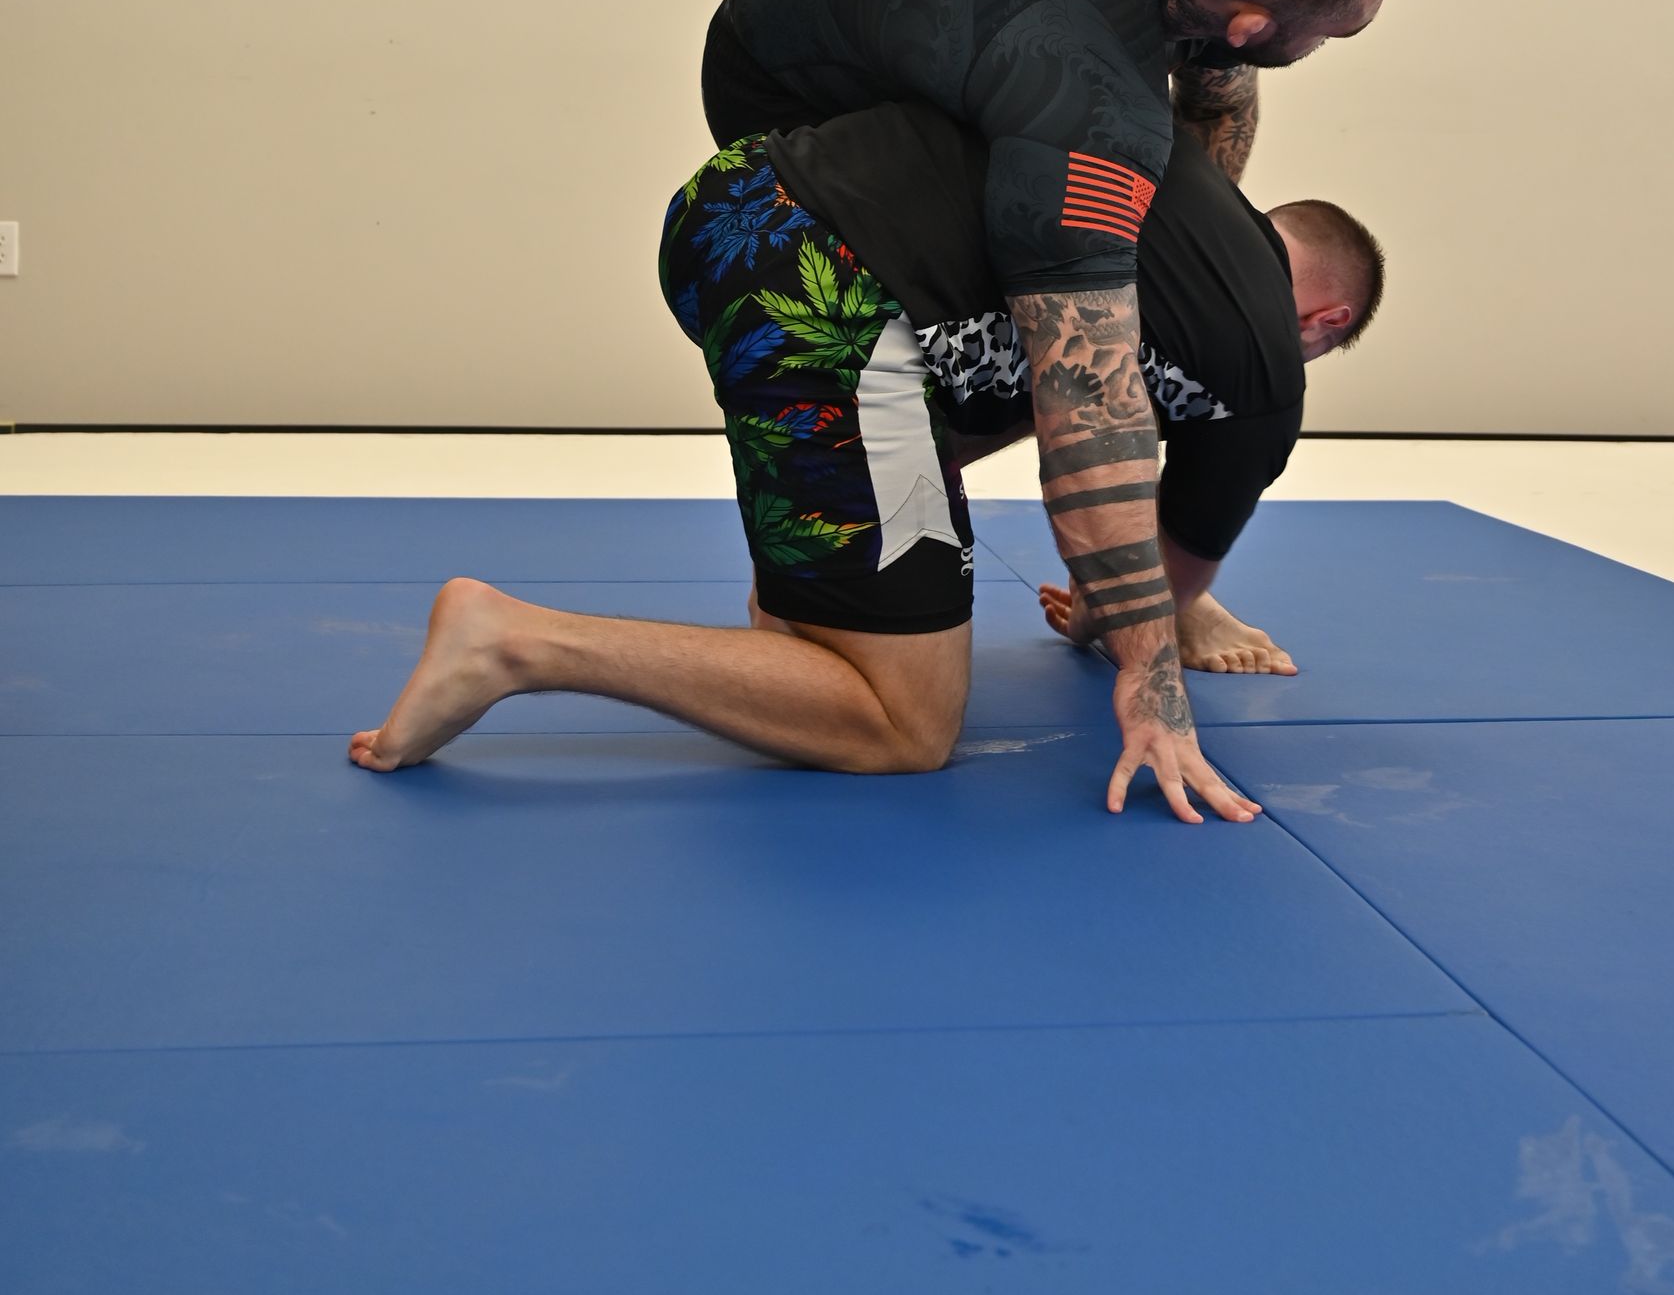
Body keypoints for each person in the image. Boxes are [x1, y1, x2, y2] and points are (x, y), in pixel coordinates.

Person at [349, 103, 1386, 819]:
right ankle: (515, 643)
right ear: (1326, 321)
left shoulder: (1167, 199)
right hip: (830, 285)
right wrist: (1139, 612)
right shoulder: (1261, 363)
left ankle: (816, 619)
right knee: (907, 723)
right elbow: (1144, 590)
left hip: (739, 211)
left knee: (882, 558)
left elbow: (1038, 403)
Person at [697, 0, 1402, 824]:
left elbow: (1212, 94)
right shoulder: (1079, 98)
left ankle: (886, 518)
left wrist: (1187, 277)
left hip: (870, 23)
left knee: (1094, 305)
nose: (1329, 45)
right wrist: (1148, 670)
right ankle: (844, 540)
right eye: (1333, 32)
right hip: (792, 105)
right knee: (1062, 330)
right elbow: (1090, 405)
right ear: (1253, 20)